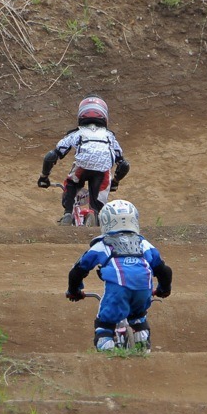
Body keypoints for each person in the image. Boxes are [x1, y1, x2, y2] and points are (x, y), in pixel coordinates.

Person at [65, 199, 172, 350]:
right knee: (138, 317)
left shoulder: (101, 245)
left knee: (105, 323)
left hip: (118, 289)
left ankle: (107, 351)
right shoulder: (144, 244)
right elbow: (164, 270)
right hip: (144, 287)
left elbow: (77, 271)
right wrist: (163, 289)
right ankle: (142, 343)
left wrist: (74, 291)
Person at [37, 96, 130, 225]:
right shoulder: (109, 136)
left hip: (82, 167)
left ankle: (68, 213)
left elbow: (52, 155)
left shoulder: (77, 133)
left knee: (71, 183)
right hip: (103, 171)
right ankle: (95, 215)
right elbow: (124, 164)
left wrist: (44, 177)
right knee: (99, 197)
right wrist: (115, 181)